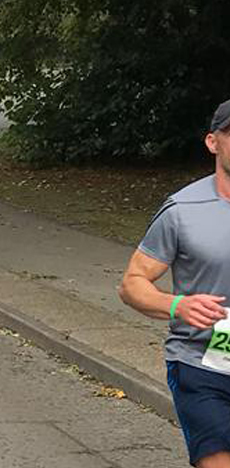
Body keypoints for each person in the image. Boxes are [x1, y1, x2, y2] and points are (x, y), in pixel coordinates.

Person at [119, 98, 230, 468]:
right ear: (213, 142)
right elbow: (132, 283)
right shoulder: (183, 210)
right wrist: (176, 305)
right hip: (203, 364)